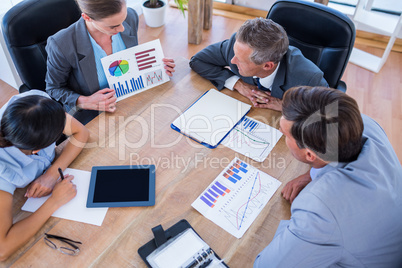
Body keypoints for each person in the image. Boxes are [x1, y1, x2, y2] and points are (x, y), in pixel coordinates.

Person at [254, 86, 402, 267]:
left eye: (284, 134)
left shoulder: (319, 211)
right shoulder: (363, 123)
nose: (280, 132)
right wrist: (312, 174)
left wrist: (300, 226)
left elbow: (266, 266)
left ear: (310, 155)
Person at [45, 0, 176, 124]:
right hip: (94, 115)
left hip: (130, 99)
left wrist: (155, 66)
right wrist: (85, 101)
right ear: (87, 18)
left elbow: (130, 62)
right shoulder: (61, 45)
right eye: (113, 26)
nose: (122, 29)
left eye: (122, 20)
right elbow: (54, 88)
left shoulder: (130, 16)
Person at [0, 90, 89, 261]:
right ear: (36, 150)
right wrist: (54, 202)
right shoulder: (3, 171)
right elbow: (2, 250)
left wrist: (51, 174)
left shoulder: (34, 106)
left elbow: (81, 132)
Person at [189, 18, 328, 111]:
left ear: (267, 66)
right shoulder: (236, 46)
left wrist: (286, 106)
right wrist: (238, 84)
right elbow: (197, 60)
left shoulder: (310, 78)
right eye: (234, 53)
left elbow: (332, 116)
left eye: (240, 60)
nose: (232, 60)